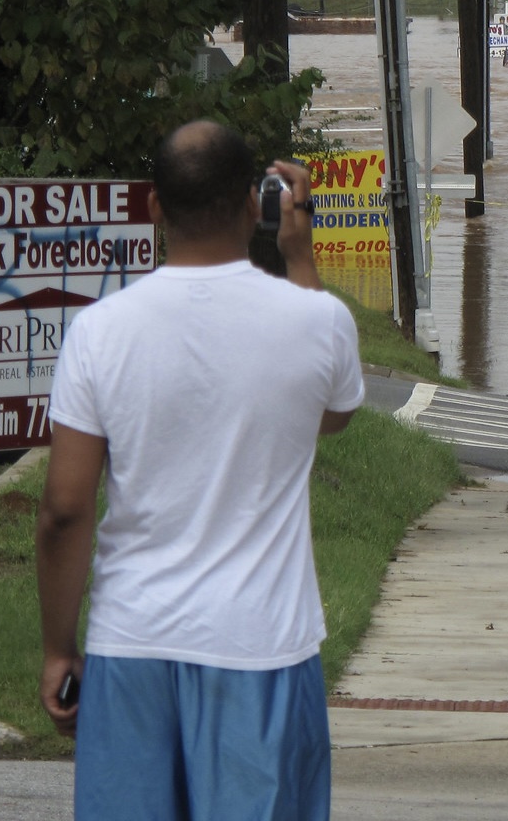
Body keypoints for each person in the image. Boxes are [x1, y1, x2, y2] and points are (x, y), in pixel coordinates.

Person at [37, 121, 363, 821]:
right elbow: (332, 412)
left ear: (154, 208)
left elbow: (65, 506)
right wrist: (298, 253)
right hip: (263, 648)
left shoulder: (100, 331)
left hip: (132, 642)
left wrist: (58, 648)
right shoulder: (318, 322)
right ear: (256, 205)